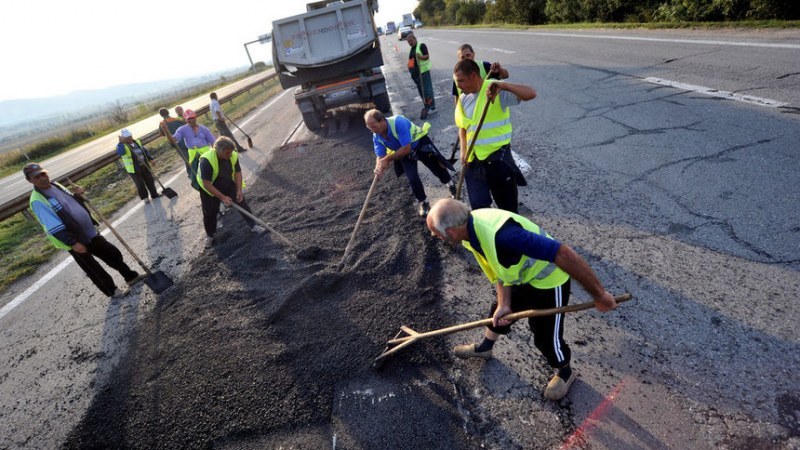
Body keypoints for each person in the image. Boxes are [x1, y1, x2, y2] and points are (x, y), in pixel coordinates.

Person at [426, 199, 617, 400]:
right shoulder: (469, 232)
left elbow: (563, 253)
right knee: (498, 313)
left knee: (545, 335)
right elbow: (500, 269)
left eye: (436, 232)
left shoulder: (505, 236)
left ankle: (564, 371)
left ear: (452, 231)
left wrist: (599, 295)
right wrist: (504, 304)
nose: (434, 236)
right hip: (522, 277)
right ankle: (485, 348)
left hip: (548, 280)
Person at [24, 163, 145, 298]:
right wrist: (73, 242)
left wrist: (78, 195)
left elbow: (71, 204)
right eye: (37, 177)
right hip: (74, 239)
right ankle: (112, 290)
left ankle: (130, 277)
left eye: (43, 174)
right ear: (30, 180)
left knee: (111, 252)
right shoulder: (37, 200)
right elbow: (52, 225)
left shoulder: (56, 185)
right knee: (93, 268)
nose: (42, 178)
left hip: (89, 232)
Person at [454, 59, 535, 213]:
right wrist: (463, 149)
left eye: (461, 81)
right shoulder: (463, 99)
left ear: (473, 76)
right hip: (474, 162)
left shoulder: (495, 90)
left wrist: (503, 85)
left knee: (508, 208)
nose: (458, 86)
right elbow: (463, 126)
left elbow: (531, 93)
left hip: (498, 160)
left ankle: (510, 234)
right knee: (479, 208)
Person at [365, 109, 456, 217]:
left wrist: (387, 159)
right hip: (403, 153)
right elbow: (380, 156)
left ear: (382, 120)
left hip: (419, 144)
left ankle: (450, 184)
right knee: (412, 178)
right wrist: (378, 167)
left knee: (436, 168)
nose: (372, 131)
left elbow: (406, 148)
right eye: (369, 128)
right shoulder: (376, 135)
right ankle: (424, 202)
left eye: (374, 126)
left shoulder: (398, 122)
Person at [196, 137, 264, 249]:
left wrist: (239, 190)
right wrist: (222, 197)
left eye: (230, 152)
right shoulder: (206, 161)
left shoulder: (232, 155)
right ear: (218, 150)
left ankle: (253, 225)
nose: (229, 155)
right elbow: (206, 184)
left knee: (241, 201)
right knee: (210, 213)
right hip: (209, 188)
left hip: (226, 182)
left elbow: (237, 173)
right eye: (227, 153)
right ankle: (210, 236)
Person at [172, 109, 216, 189]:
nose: (191, 120)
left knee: (211, 172)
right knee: (195, 176)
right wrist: (167, 133)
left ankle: (215, 187)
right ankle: (202, 190)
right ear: (185, 119)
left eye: (192, 118)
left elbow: (213, 141)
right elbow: (174, 139)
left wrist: (216, 152)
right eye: (188, 119)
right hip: (193, 155)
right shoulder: (182, 129)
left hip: (205, 153)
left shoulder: (203, 129)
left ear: (195, 117)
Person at [115, 129, 160, 203]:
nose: (129, 138)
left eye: (129, 136)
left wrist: (150, 159)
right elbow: (121, 152)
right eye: (126, 137)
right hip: (133, 169)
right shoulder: (121, 146)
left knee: (150, 181)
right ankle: (145, 198)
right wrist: (120, 142)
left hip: (144, 165)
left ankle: (154, 194)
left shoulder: (137, 142)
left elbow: (144, 151)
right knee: (140, 184)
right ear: (123, 138)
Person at [406, 32, 435, 120]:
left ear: (415, 39)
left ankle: (432, 106)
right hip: (417, 74)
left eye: (411, 41)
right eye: (409, 42)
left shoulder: (421, 46)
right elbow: (411, 62)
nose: (410, 43)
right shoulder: (412, 50)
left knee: (427, 90)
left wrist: (420, 57)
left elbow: (427, 56)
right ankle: (426, 106)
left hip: (424, 71)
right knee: (421, 91)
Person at [158, 107, 190, 177]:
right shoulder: (177, 119)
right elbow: (186, 124)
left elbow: (162, 134)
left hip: (175, 142)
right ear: (168, 112)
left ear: (161, 115)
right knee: (191, 154)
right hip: (186, 138)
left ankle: (190, 172)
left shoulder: (162, 123)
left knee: (185, 157)